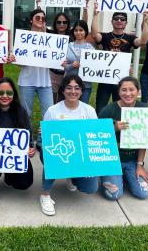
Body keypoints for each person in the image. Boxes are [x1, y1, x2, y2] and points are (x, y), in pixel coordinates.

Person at [39, 75, 98, 216]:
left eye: (77, 88)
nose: (73, 91)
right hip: (58, 152)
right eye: (69, 88)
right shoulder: (53, 111)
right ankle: (45, 194)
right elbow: (44, 141)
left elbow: (94, 136)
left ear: (82, 91)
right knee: (52, 158)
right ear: (63, 90)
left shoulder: (89, 110)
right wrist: (45, 132)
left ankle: (71, 175)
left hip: (80, 154)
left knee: (91, 188)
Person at [98, 77, 148, 200]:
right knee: (114, 195)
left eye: (131, 90)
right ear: (118, 92)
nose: (128, 94)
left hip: (132, 160)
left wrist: (140, 165)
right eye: (124, 90)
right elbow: (97, 136)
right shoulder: (108, 110)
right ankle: (107, 176)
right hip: (111, 160)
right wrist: (113, 128)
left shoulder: (144, 109)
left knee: (143, 193)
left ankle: (125, 176)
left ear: (138, 91)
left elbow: (144, 140)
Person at [91, 4, 148, 113]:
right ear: (112, 21)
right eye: (116, 19)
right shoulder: (105, 36)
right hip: (105, 78)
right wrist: (95, 15)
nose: (119, 21)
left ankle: (119, 128)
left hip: (122, 80)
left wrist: (145, 22)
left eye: (122, 19)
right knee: (100, 107)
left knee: (120, 109)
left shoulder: (130, 38)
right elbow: (94, 35)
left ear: (126, 23)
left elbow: (143, 41)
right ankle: (102, 127)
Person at [16, 8, 54, 121]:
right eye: (37, 17)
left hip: (45, 82)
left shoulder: (50, 38)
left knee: (49, 114)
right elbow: (19, 64)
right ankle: (28, 137)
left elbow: (55, 58)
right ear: (31, 20)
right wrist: (16, 59)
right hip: (27, 81)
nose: (40, 20)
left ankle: (43, 138)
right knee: (25, 113)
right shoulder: (23, 38)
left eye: (43, 18)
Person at [63, 20, 95, 104]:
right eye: (76, 30)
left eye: (81, 30)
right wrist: (71, 66)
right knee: (69, 107)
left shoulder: (90, 48)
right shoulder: (67, 46)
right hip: (69, 85)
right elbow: (63, 66)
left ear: (85, 32)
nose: (78, 32)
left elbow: (96, 67)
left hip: (85, 86)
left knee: (83, 108)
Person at [48, 12, 71, 103]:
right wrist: (38, 5)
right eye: (59, 22)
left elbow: (83, 24)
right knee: (52, 101)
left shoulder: (72, 37)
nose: (61, 24)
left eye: (64, 22)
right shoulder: (49, 35)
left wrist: (85, 8)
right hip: (52, 73)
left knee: (64, 100)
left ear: (68, 24)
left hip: (66, 73)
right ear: (55, 23)